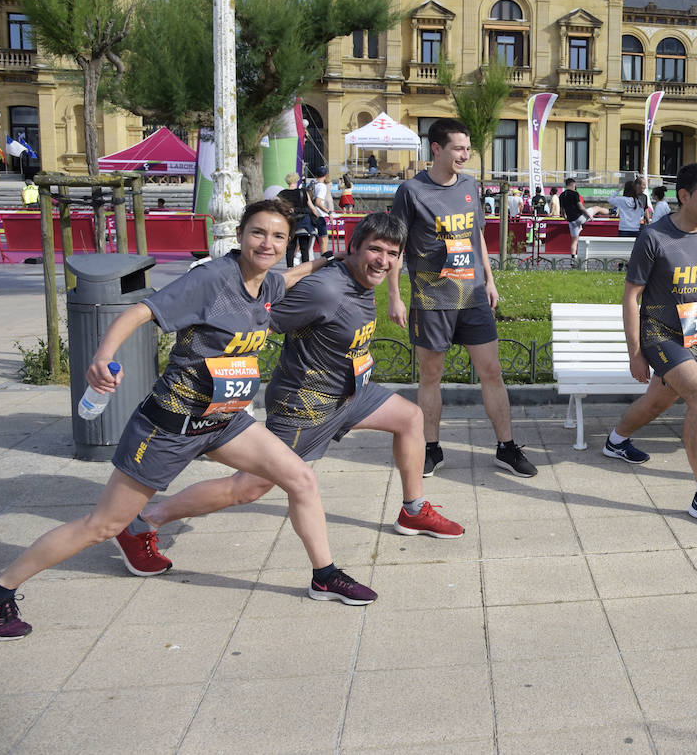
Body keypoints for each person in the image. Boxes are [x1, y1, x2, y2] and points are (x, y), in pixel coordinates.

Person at [0, 201, 374, 640]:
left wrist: (325, 261)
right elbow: (139, 312)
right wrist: (102, 358)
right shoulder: (211, 279)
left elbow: (285, 278)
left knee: (300, 479)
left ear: (288, 242)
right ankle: (2, 586)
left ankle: (323, 575)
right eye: (258, 233)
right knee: (101, 525)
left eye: (278, 237)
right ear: (240, 235)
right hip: (171, 424)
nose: (266, 243)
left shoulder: (266, 283)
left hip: (223, 418)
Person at [114, 212, 463, 577]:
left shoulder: (362, 280)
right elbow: (263, 314)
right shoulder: (325, 290)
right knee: (248, 488)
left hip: (349, 393)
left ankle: (413, 509)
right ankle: (143, 521)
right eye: (375, 250)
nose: (384, 261)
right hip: (304, 407)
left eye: (392, 254)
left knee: (410, 418)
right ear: (353, 248)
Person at [386, 118, 537, 479]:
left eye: (468, 149)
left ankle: (506, 447)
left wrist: (490, 279)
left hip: (472, 296)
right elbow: (396, 247)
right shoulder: (411, 191)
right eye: (458, 148)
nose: (465, 155)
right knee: (431, 375)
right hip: (431, 297)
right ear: (436, 149)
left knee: (492, 371)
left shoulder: (470, 185)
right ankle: (430, 448)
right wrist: (394, 295)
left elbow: (477, 236)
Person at [601, 163, 697, 529]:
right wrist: (635, 352)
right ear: (684, 196)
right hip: (659, 334)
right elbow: (632, 297)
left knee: (658, 400)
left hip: (696, 337)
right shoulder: (653, 237)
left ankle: (616, 441)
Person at [277, 172, 317, 267]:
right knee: (304, 247)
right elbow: (312, 208)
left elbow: (276, 204)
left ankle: (290, 268)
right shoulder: (303, 192)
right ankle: (305, 268)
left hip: (290, 223)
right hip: (304, 223)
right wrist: (317, 217)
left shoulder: (282, 193)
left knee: (290, 247)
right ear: (296, 180)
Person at [309, 166, 335, 256]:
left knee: (308, 240)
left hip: (310, 214)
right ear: (325, 175)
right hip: (319, 215)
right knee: (324, 239)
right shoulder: (322, 186)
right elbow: (318, 202)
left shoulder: (312, 184)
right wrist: (328, 212)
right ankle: (324, 260)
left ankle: (297, 258)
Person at [560, 178, 588, 258]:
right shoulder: (575, 194)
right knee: (596, 208)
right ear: (573, 184)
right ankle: (607, 211)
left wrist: (565, 218)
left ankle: (573, 259)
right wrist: (589, 215)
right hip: (579, 218)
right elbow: (581, 207)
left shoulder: (562, 195)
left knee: (574, 241)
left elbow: (562, 211)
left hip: (571, 221)